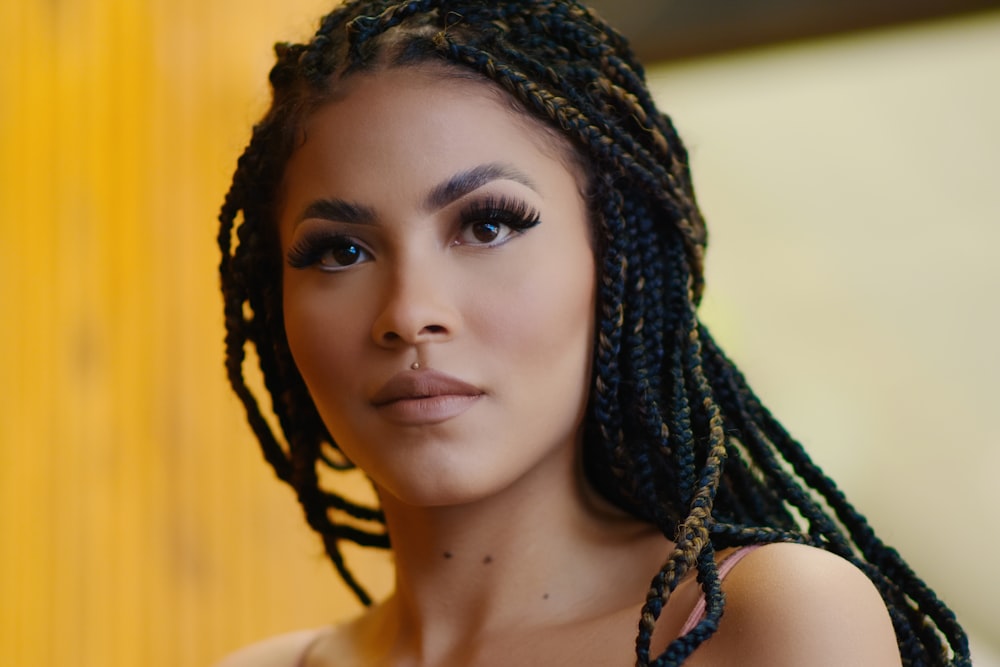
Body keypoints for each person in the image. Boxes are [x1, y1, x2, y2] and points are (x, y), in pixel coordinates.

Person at [215, 1, 970, 665]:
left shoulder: (763, 620)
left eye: (487, 225)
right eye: (339, 251)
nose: (409, 312)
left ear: (616, 264)